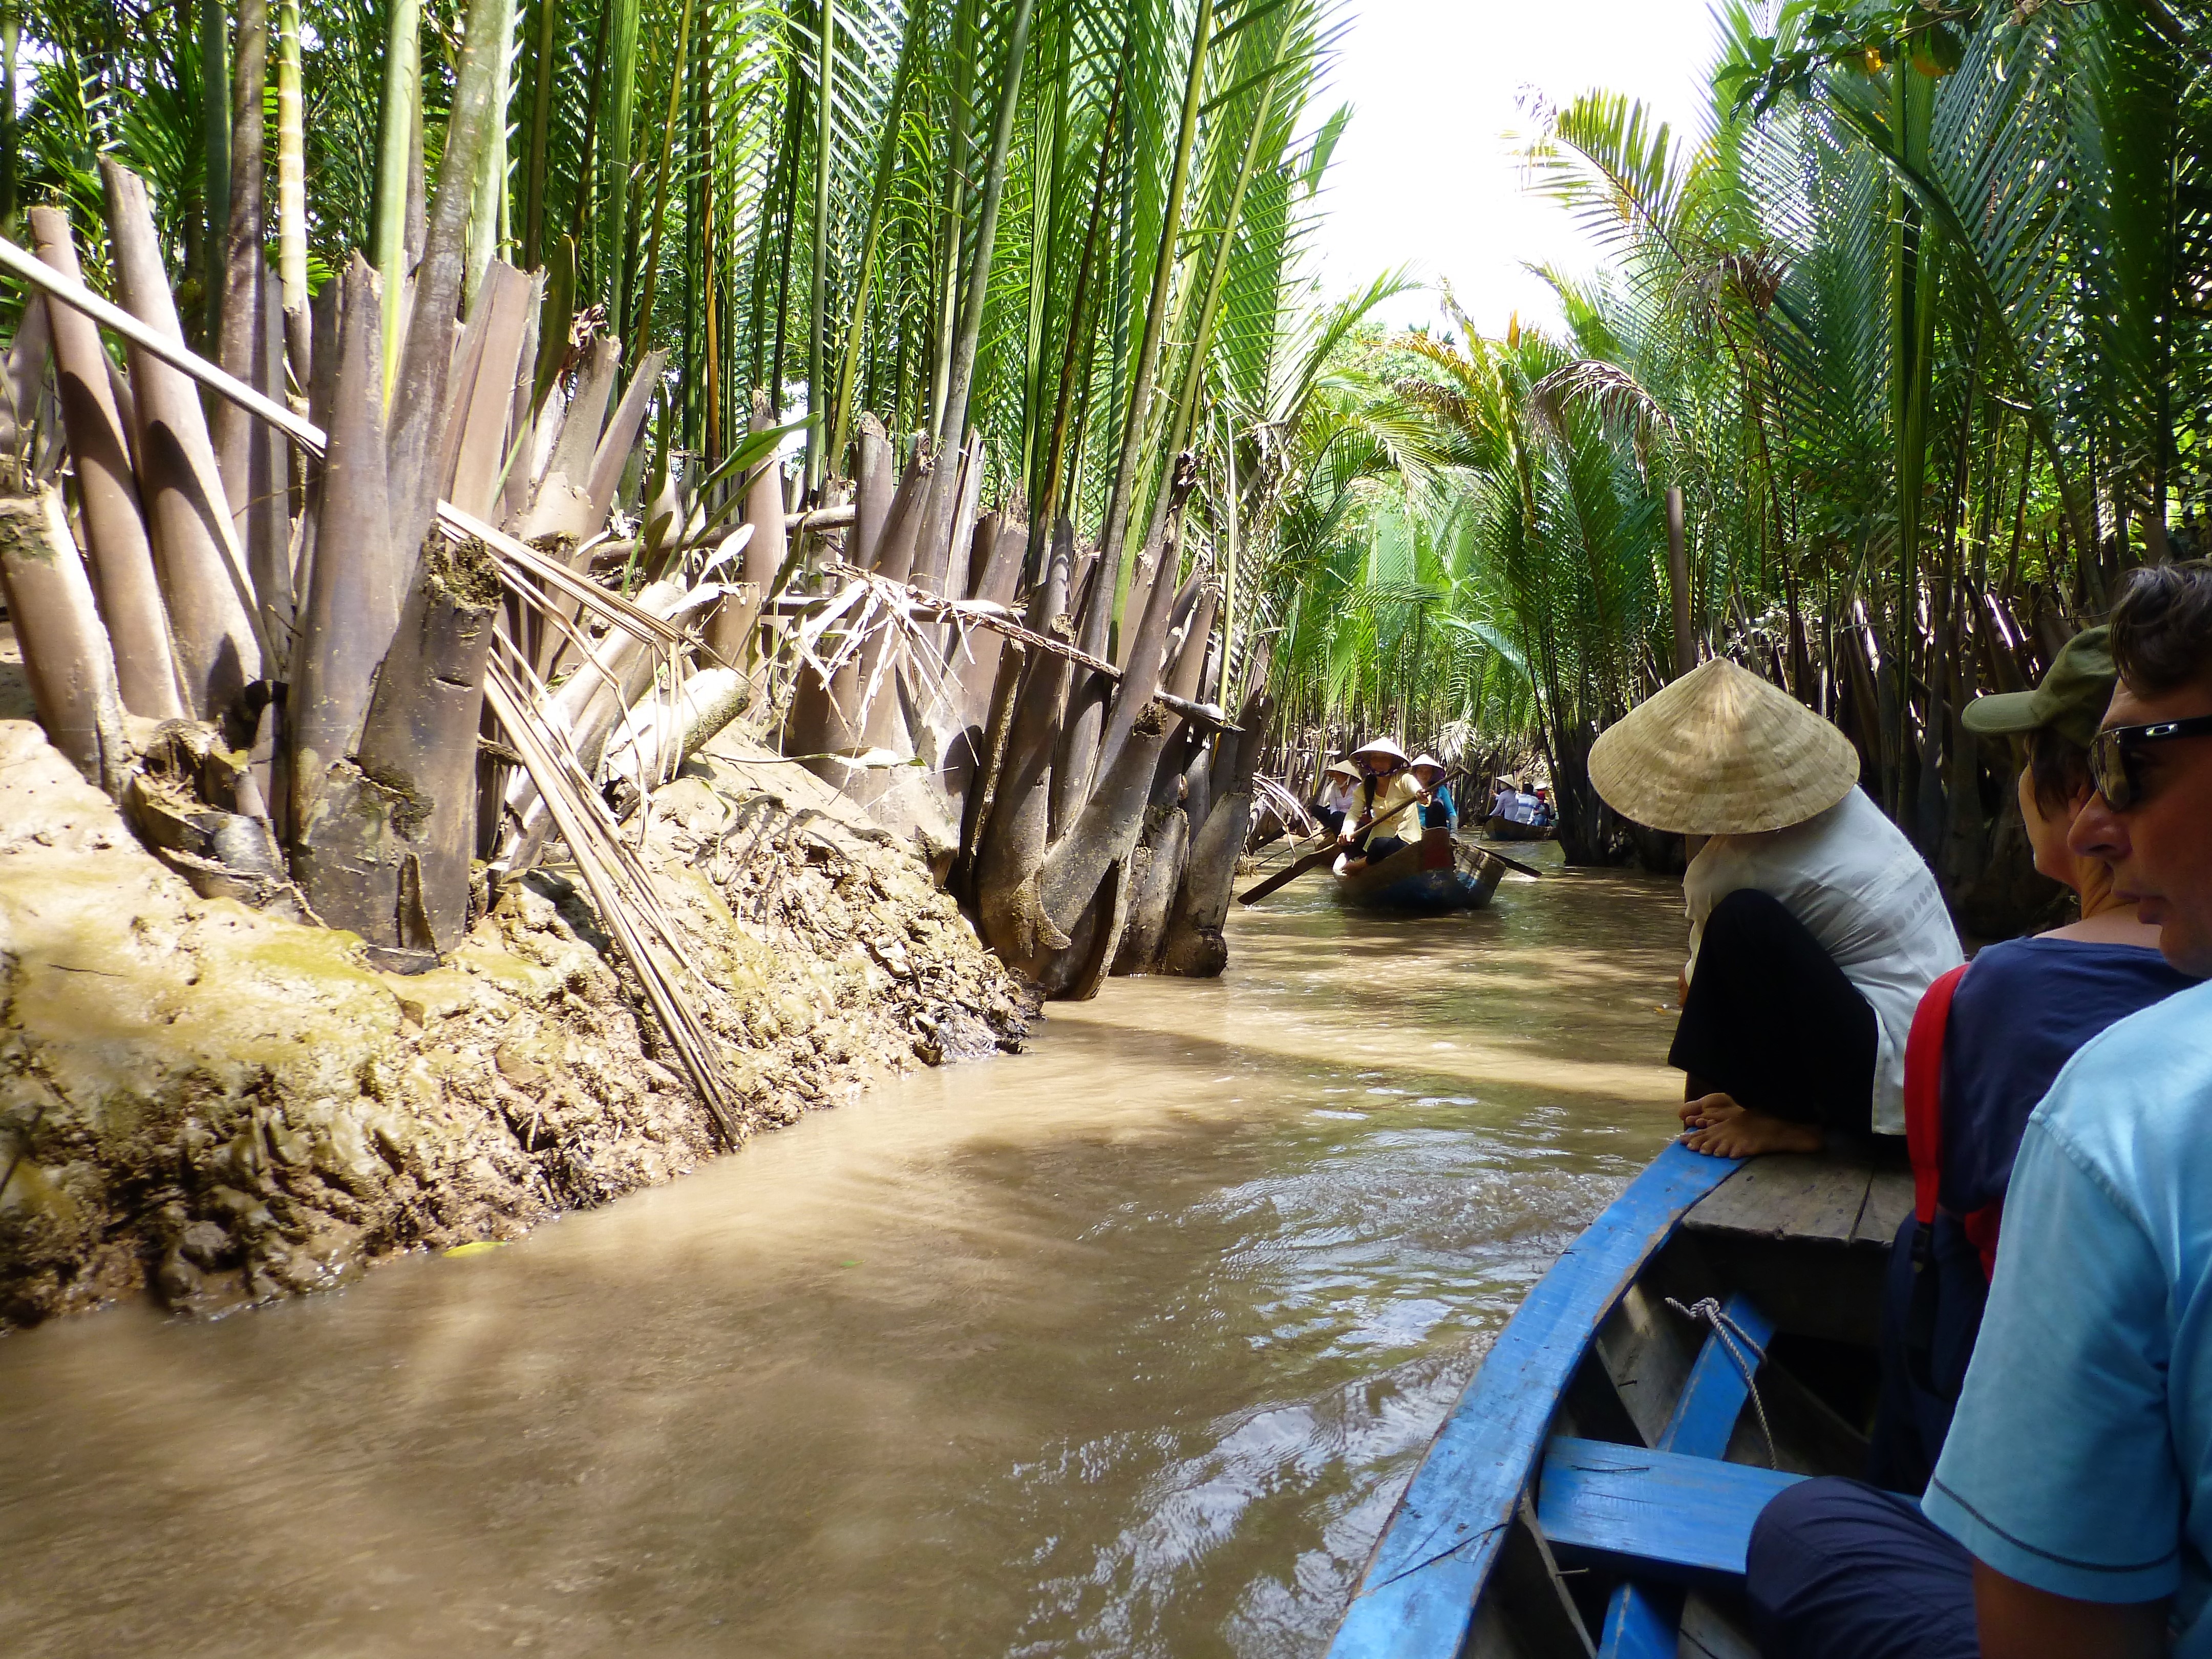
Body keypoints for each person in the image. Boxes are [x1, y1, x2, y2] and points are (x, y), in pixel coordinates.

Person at [1745, 558, 2212, 1659]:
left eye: (2127, 767)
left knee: (1807, 1527)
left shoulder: (2124, 1107)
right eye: (2091, 770)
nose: (2104, 824)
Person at [1870, 627, 2198, 1493]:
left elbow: (1953, 1242)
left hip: (2040, 1462)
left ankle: (1908, 1498)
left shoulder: (1981, 993)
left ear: (2080, 788)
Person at [1586, 658, 1964, 1158]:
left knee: (1742, 924)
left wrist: (1705, 1099)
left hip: (1902, 1102)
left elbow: (1696, 993)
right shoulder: (1849, 807)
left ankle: (1783, 1122)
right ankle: (1771, 1110)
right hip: (1948, 1069)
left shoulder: (1727, 874)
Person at [1337, 737, 1426, 873]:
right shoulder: (1367, 785)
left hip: (1406, 842)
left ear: (1392, 762)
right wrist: (1347, 830)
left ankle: (1360, 865)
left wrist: (1421, 795)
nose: (1379, 763)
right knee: (1345, 833)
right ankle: (1366, 859)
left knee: (1379, 846)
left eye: (1385, 759)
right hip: (1377, 840)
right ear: (1370, 762)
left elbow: (1419, 791)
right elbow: (1354, 812)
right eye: (1375, 758)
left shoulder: (1403, 779)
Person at [1313, 759, 1360, 839]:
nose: (1336, 779)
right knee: (1315, 809)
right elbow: (1333, 806)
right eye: (1335, 776)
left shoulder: (1357, 787)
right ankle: (1331, 827)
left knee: (1337, 817)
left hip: (1350, 817)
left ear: (1347, 776)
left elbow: (1357, 809)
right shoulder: (1335, 787)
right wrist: (1334, 819)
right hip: (1336, 816)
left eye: (1339, 776)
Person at [1410, 753, 1456, 832]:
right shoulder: (1408, 789)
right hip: (1415, 830)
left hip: (1437, 830)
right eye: (1421, 771)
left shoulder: (1440, 789)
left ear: (1432, 773)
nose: (1424, 774)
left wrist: (1454, 832)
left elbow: (1451, 812)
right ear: (1415, 773)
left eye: (1428, 772)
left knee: (1437, 804)